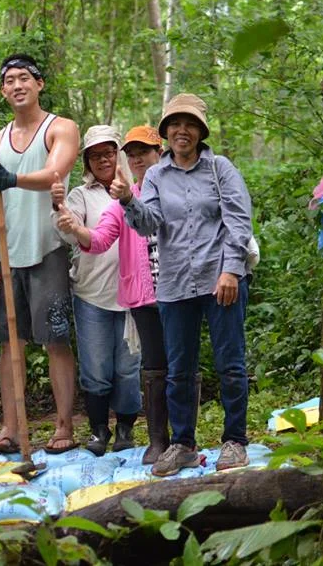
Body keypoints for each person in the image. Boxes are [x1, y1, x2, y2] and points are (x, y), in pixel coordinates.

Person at [114, 94, 253, 475]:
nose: (181, 130)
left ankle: (235, 441)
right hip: (175, 282)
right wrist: (128, 199)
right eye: (174, 124)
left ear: (201, 131)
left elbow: (239, 222)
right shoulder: (157, 174)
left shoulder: (220, 168)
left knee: (230, 362)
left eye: (189, 124)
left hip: (220, 278)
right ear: (166, 131)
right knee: (178, 369)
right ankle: (183, 444)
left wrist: (231, 270)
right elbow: (149, 224)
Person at [57, 125, 186, 465]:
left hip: (178, 291)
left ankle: (180, 439)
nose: (134, 159)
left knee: (169, 367)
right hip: (122, 294)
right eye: (132, 153)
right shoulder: (112, 199)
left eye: (113, 153)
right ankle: (134, 436)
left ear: (160, 153)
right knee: (115, 367)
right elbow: (97, 240)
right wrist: (74, 228)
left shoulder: (170, 186)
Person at [0, 54, 81, 454]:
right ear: (4, 91)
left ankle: (63, 426)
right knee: (10, 343)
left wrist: (15, 178)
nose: (17, 85)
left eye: (25, 78)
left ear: (39, 84)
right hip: (9, 253)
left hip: (48, 249)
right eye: (9, 80)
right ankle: (11, 426)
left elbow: (54, 173)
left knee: (55, 340)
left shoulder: (60, 128)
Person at [50, 125, 138, 456]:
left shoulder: (138, 189)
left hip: (132, 296)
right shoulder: (80, 195)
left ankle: (126, 429)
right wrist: (64, 217)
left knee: (128, 368)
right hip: (92, 294)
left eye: (109, 152)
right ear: (87, 161)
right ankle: (99, 430)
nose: (103, 160)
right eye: (95, 155)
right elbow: (70, 233)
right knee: (96, 367)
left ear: (120, 154)